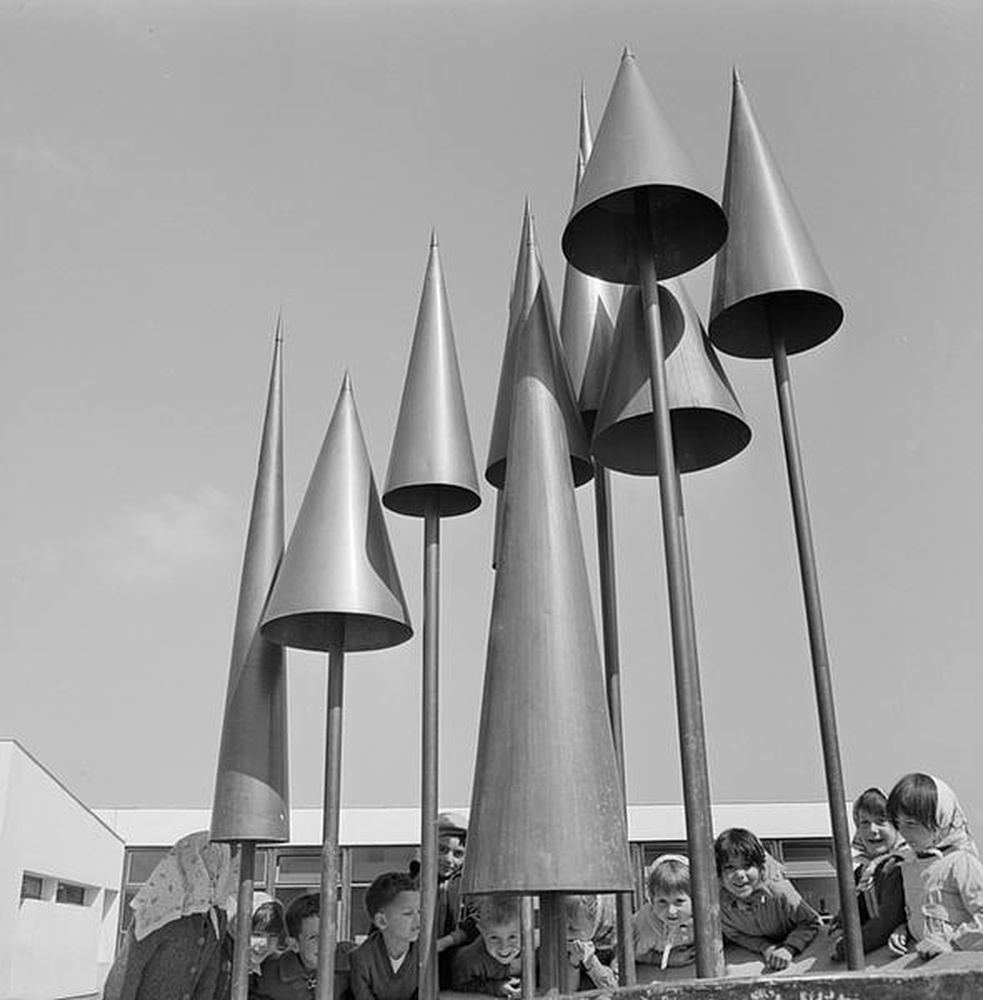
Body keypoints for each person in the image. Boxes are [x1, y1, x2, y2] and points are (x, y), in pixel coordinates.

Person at [103, 830, 238, 1000]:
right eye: (227, 866)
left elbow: (207, 979)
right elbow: (126, 973)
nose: (231, 877)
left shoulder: (217, 917)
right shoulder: (158, 909)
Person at [886, 773, 983, 957]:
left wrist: (953, 943)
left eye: (911, 823)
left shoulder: (961, 862)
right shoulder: (909, 865)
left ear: (941, 818)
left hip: (962, 971)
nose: (904, 832)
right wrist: (904, 930)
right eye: (898, 823)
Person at [715, 827, 822, 972]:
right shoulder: (720, 904)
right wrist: (765, 947)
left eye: (747, 866)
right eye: (730, 867)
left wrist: (789, 948)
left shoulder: (778, 892)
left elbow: (811, 922)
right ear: (719, 875)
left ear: (761, 868)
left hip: (803, 954)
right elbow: (735, 934)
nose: (740, 874)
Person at [830, 787, 906, 960]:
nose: (872, 830)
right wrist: (839, 924)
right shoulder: (863, 872)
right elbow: (853, 914)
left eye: (881, 821)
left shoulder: (900, 865)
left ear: (896, 825)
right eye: (864, 823)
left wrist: (844, 948)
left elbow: (887, 922)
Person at [350, 872, 421, 1000]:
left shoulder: (425, 955)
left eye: (420, 912)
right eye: (408, 913)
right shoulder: (361, 959)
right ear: (382, 921)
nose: (418, 920)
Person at [250, 893, 323, 1000]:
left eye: (273, 936)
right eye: (312, 937)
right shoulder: (268, 973)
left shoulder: (346, 963)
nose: (324, 945)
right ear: (294, 944)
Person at [449, 895, 523, 996]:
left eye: (512, 937)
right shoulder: (469, 960)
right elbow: (459, 984)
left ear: (524, 931)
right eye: (494, 938)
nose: (504, 948)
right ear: (481, 931)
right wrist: (497, 988)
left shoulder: (534, 953)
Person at [632, 854, 696, 969]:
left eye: (679, 901)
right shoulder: (648, 926)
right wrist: (666, 959)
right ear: (651, 901)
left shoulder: (703, 919)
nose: (671, 911)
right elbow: (635, 954)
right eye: (662, 901)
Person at [562, 894, 619, 991]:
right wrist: (574, 961)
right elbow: (567, 991)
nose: (565, 934)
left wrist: (590, 961)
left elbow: (616, 990)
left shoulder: (615, 941)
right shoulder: (568, 941)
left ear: (596, 923)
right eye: (563, 925)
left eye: (572, 929)